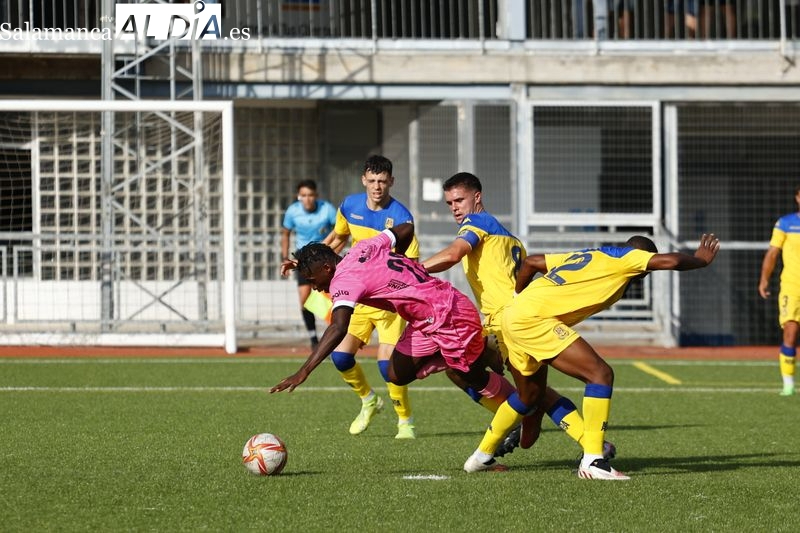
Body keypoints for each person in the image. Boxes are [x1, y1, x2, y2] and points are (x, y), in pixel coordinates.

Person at [464, 233, 721, 480]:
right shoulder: (628, 258)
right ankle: (593, 461)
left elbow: (532, 262)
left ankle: (481, 456)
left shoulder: (591, 254)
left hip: (513, 316)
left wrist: (518, 297)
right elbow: (672, 261)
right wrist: (700, 260)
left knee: (529, 395)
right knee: (600, 374)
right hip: (533, 319)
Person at [270, 224, 519, 456]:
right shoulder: (362, 248)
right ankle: (471, 353)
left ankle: (518, 411)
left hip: (449, 315)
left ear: (326, 269)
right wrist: (401, 261)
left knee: (470, 376)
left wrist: (304, 371)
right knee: (395, 374)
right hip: (424, 320)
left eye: (312, 280)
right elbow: (406, 229)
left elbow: (338, 327)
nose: (314, 287)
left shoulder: (343, 281)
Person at [421, 172, 614, 464]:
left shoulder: (477, 223)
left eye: (459, 200)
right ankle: (567, 433)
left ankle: (524, 422)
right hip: (516, 320)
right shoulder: (511, 240)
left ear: (477, 197)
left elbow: (453, 254)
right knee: (527, 390)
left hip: (507, 325)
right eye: (449, 203)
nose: (455, 208)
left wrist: (414, 269)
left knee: (472, 373)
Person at [320, 155, 419, 439]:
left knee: (387, 367)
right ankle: (368, 400)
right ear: (364, 179)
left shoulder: (402, 218)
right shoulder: (349, 206)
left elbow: (411, 265)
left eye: (382, 181)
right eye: (372, 180)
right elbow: (338, 238)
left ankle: (405, 421)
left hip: (388, 303)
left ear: (391, 182)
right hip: (359, 298)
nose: (377, 186)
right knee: (340, 357)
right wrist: (309, 258)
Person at [281, 179, 337, 349]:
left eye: (310, 195)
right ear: (298, 196)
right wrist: (285, 257)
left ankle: (336, 334)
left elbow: (339, 231)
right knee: (305, 299)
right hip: (303, 258)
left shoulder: (327, 209)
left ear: (316, 195)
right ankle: (314, 339)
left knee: (334, 297)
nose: (307, 199)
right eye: (303, 195)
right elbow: (285, 234)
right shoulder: (293, 211)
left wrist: (332, 251)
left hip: (324, 257)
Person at [758, 186, 800, 397]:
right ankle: (789, 385)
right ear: (797, 198)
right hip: (792, 287)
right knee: (790, 333)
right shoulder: (786, 223)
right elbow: (773, 253)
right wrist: (764, 279)